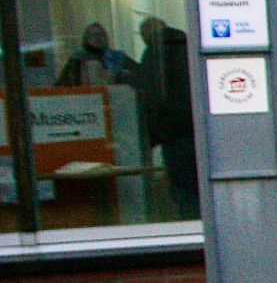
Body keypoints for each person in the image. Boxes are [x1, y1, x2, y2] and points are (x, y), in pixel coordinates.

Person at [135, 18, 199, 219]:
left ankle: (193, 234)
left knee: (185, 193)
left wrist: (152, 137)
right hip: (199, 129)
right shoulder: (191, 47)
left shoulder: (155, 53)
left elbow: (151, 97)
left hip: (174, 134)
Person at [56, 22, 134, 86]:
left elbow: (137, 74)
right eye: (93, 35)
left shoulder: (117, 56)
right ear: (86, 39)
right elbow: (63, 83)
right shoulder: (77, 58)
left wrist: (120, 77)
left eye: (100, 34)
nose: (97, 38)